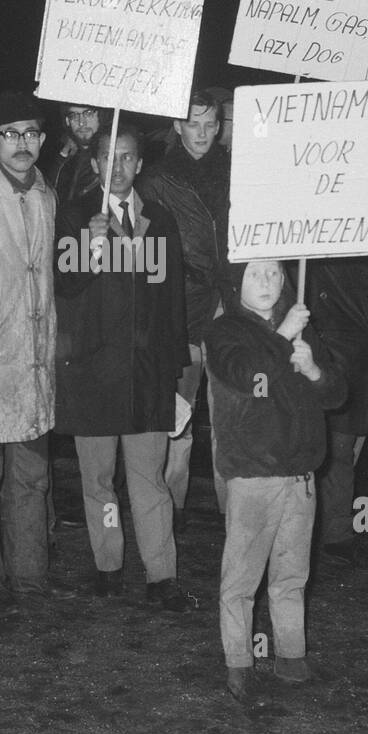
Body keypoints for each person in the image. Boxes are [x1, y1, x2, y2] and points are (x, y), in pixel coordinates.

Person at [53, 123, 194, 611]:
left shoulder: (161, 218)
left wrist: (174, 368)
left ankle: (162, 575)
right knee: (98, 481)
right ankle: (109, 565)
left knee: (149, 479)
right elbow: (64, 289)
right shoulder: (73, 216)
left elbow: (171, 298)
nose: (118, 168)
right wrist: (91, 251)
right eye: (108, 158)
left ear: (140, 163)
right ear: (94, 165)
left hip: (146, 374)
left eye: (128, 158)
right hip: (91, 372)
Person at [205, 260, 345, 700]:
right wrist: (283, 337)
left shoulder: (300, 324)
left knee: (291, 574)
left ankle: (291, 654)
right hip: (253, 472)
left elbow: (338, 395)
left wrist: (315, 371)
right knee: (242, 579)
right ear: (236, 282)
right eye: (254, 275)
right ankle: (238, 661)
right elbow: (250, 376)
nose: (266, 283)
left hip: (299, 471)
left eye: (273, 274)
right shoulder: (225, 331)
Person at [0, 93, 72, 609]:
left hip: (35, 363)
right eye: (10, 134)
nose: (22, 144)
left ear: (43, 140)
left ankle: (30, 577)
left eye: (31, 133)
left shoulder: (50, 200)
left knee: (31, 477)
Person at [138, 89, 230, 524]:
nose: (203, 133)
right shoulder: (156, 180)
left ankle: (235, 511)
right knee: (180, 414)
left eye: (211, 124)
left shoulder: (235, 172)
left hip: (229, 308)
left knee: (232, 413)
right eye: (194, 123)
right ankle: (169, 509)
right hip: (183, 310)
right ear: (177, 125)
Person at [307, 252, 368, 567]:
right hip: (321, 353)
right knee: (330, 452)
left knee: (338, 452)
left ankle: (334, 532)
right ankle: (330, 533)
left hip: (341, 356)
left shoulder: (356, 248)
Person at [46, 103, 103, 204]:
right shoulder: (63, 157)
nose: (81, 123)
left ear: (100, 116)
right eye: (74, 116)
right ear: (68, 121)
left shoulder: (111, 158)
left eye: (88, 114)